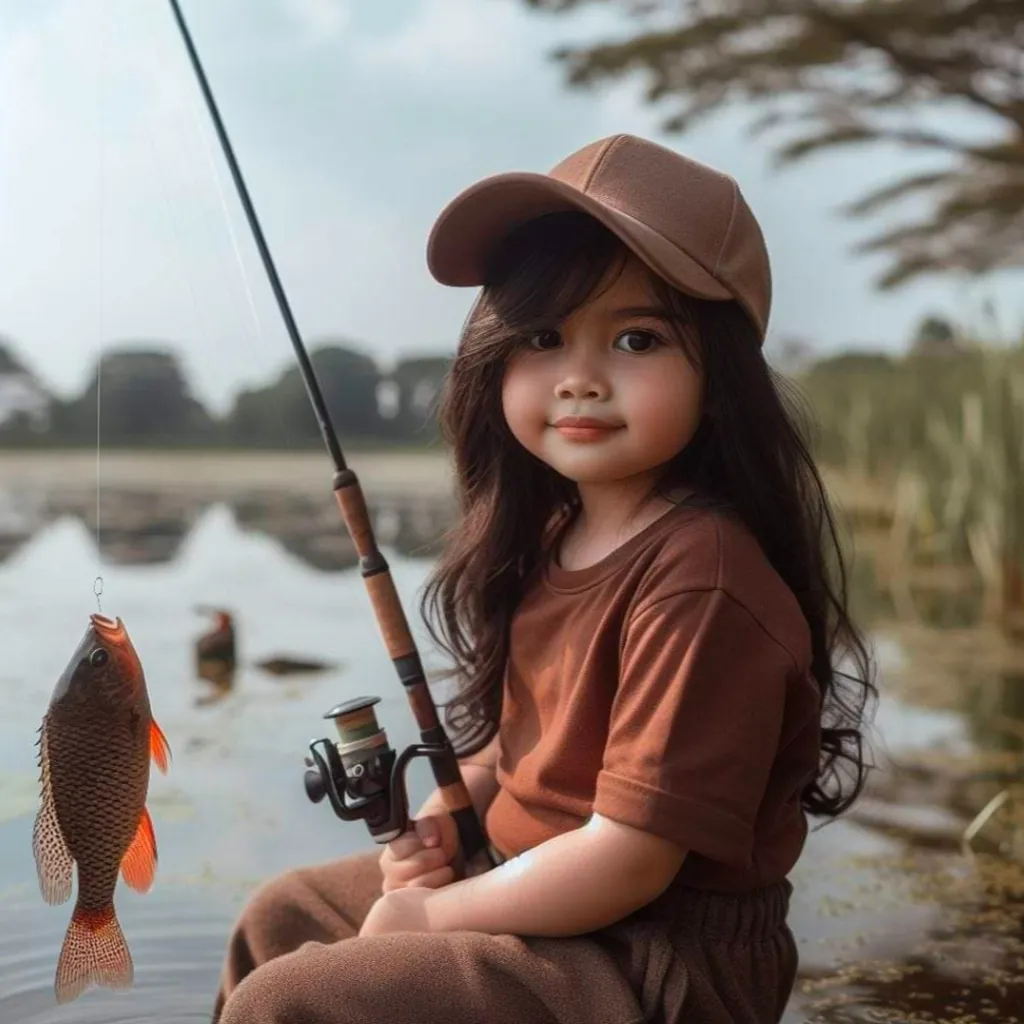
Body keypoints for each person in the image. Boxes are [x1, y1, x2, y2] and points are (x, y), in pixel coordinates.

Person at [212, 133, 876, 1024]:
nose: (579, 381)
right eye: (542, 337)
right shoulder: (551, 535)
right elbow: (509, 752)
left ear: (720, 377)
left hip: (655, 956)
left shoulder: (700, 579)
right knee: (280, 918)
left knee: (297, 998)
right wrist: (456, 823)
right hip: (533, 892)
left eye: (636, 338)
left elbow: (629, 859)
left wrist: (430, 915)